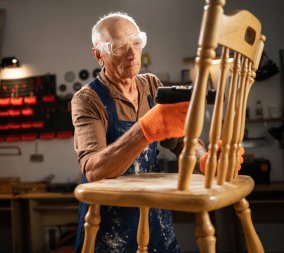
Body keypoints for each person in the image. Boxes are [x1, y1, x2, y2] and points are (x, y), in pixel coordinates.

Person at [71, 12, 206, 253]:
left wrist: (204, 158)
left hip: (154, 216)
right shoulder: (87, 99)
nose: (132, 53)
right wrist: (144, 131)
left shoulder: (151, 86)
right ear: (99, 55)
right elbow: (93, 169)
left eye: (136, 42)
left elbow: (180, 142)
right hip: (109, 227)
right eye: (120, 47)